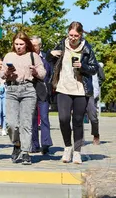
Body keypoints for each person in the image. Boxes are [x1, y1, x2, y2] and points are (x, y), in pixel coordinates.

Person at [47, 21, 98, 164]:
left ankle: (77, 152)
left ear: (80, 35)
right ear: (67, 33)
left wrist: (83, 66)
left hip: (80, 89)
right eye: (71, 35)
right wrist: (50, 54)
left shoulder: (86, 48)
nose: (73, 38)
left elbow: (94, 68)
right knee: (63, 119)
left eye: (76, 35)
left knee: (77, 121)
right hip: (63, 87)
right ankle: (67, 147)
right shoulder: (62, 44)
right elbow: (48, 59)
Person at [0, 32, 46, 165]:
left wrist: (35, 72)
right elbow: (2, 74)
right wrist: (7, 72)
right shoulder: (9, 56)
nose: (19, 47)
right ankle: (17, 144)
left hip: (28, 90)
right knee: (11, 123)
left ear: (26, 44)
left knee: (26, 123)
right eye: (16, 44)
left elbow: (43, 74)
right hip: (12, 90)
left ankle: (26, 152)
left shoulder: (33, 56)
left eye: (21, 44)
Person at [30, 36, 53, 155]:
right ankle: (34, 145)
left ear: (40, 46)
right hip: (30, 91)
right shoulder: (27, 57)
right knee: (32, 119)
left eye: (35, 45)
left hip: (43, 91)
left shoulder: (46, 58)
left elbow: (50, 73)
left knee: (44, 117)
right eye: (31, 45)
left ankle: (45, 144)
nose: (33, 47)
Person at [86, 71, 100, 145]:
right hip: (78, 93)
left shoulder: (92, 66)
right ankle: (79, 139)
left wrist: (95, 95)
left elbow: (95, 82)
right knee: (77, 117)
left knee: (93, 116)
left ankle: (96, 134)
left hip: (90, 93)